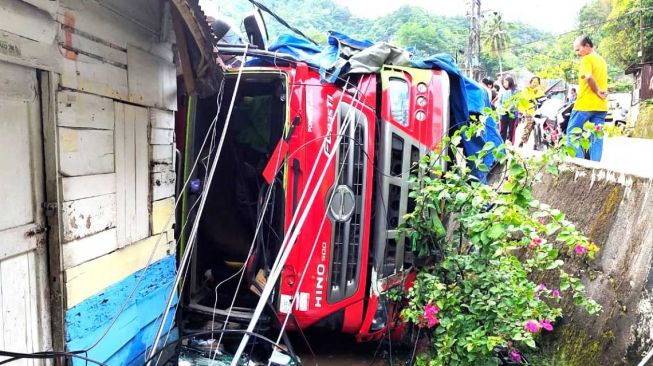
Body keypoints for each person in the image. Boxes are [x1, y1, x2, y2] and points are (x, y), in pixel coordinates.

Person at [566, 35, 608, 161]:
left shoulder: (587, 59)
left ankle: (578, 164)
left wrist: (596, 91)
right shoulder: (602, 60)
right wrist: (601, 93)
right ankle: (595, 165)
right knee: (597, 136)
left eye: (578, 50)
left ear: (587, 46)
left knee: (572, 134)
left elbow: (589, 77)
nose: (578, 53)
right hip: (601, 106)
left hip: (585, 105)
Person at [518, 76, 544, 147]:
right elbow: (525, 98)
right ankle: (522, 141)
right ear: (531, 82)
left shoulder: (539, 91)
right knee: (529, 126)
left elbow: (543, 97)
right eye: (534, 82)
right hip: (529, 111)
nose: (535, 84)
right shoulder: (526, 90)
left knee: (539, 126)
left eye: (537, 82)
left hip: (538, 111)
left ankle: (537, 143)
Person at [498, 76, 519, 144]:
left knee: (511, 131)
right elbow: (499, 102)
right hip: (503, 113)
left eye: (506, 82)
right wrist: (502, 108)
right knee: (502, 130)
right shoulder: (502, 91)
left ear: (510, 82)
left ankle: (510, 145)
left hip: (512, 113)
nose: (504, 83)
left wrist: (509, 108)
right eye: (503, 82)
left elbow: (516, 102)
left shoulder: (516, 91)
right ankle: (502, 144)